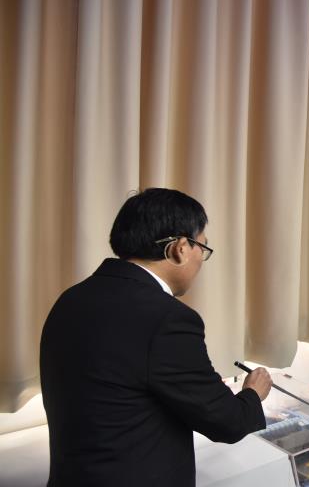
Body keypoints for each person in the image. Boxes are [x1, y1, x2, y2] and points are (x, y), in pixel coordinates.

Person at [40, 188, 272, 486]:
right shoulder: (168, 318)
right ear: (179, 248)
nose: (201, 260)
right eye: (202, 247)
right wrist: (253, 393)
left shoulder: (71, 299)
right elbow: (227, 422)